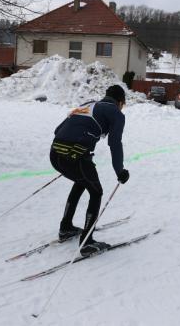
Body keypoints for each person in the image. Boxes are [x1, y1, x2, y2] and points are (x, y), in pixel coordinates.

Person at [49, 85, 130, 256]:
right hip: (74, 156)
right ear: (120, 102)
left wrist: (83, 144)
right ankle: (86, 243)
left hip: (55, 153)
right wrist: (120, 170)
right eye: (123, 104)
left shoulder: (88, 105)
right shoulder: (116, 113)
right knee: (96, 192)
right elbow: (115, 143)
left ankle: (66, 228)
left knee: (81, 182)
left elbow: (58, 130)